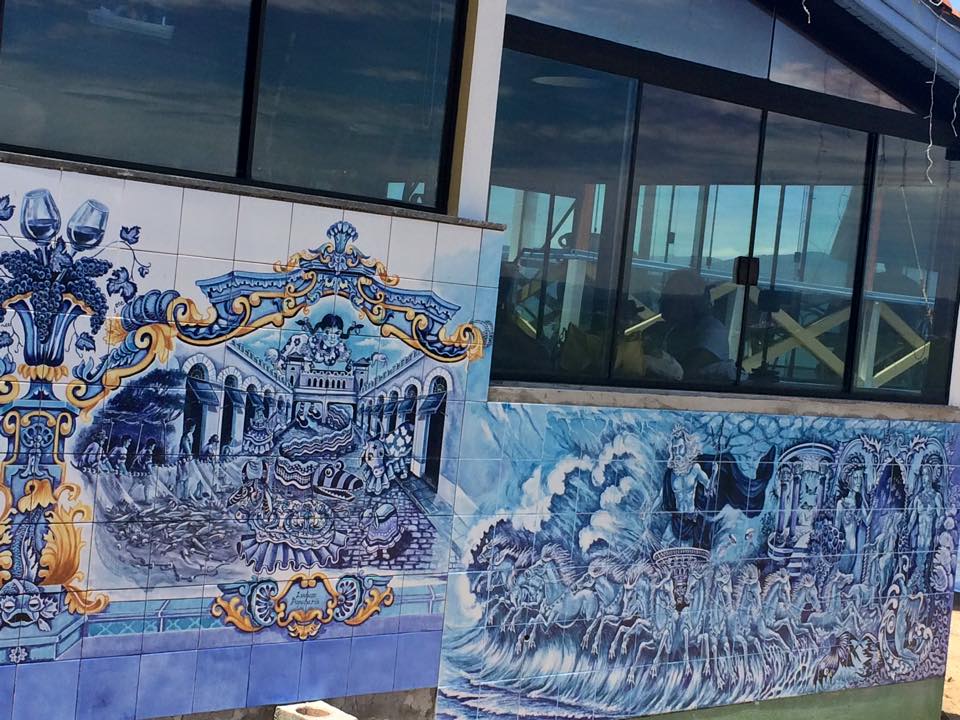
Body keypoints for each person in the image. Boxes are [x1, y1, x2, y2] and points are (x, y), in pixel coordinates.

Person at [649, 269, 735, 383]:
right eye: (666, 294)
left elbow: (683, 372)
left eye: (673, 296)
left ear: (693, 302)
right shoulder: (670, 329)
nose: (664, 301)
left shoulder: (713, 330)